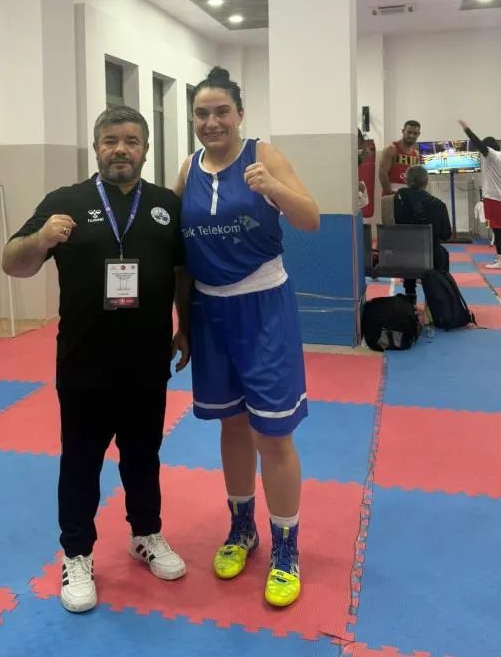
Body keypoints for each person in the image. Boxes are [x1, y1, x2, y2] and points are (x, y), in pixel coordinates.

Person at [2, 106, 190, 614]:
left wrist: (186, 328)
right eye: (110, 141)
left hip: (147, 361)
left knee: (143, 456)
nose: (120, 149)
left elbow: (182, 273)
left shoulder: (166, 206)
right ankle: (77, 553)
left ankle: (145, 533)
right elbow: (12, 263)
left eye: (131, 140)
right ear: (96, 147)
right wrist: (41, 238)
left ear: (146, 149)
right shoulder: (65, 202)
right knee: (81, 462)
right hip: (84, 363)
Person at [174, 66, 320, 610]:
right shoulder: (187, 169)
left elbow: (311, 218)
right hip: (209, 311)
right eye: (201, 113)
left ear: (239, 114)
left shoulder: (264, 154)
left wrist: (273, 188)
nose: (211, 122)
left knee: (273, 434)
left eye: (221, 112)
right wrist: (182, 323)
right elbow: (178, 254)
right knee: (232, 425)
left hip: (263, 308)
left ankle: (286, 547)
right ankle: (242, 528)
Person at [458, 119, 501, 269]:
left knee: (497, 230)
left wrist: (467, 129)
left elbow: (479, 145)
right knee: (500, 229)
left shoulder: (492, 155)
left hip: (495, 198)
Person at [394, 165, 452, 301]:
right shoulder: (439, 205)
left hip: (403, 256)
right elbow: (446, 234)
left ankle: (410, 293)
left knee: (410, 247)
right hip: (431, 256)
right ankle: (437, 293)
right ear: (426, 181)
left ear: (406, 181)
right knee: (442, 252)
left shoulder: (399, 198)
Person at [379, 120, 422, 196]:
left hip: (409, 194)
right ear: (403, 131)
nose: (411, 136)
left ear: (418, 134)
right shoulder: (391, 149)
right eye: (409, 132)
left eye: (415, 133)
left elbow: (415, 179)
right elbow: (382, 174)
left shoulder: (416, 154)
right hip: (392, 192)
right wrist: (390, 195)